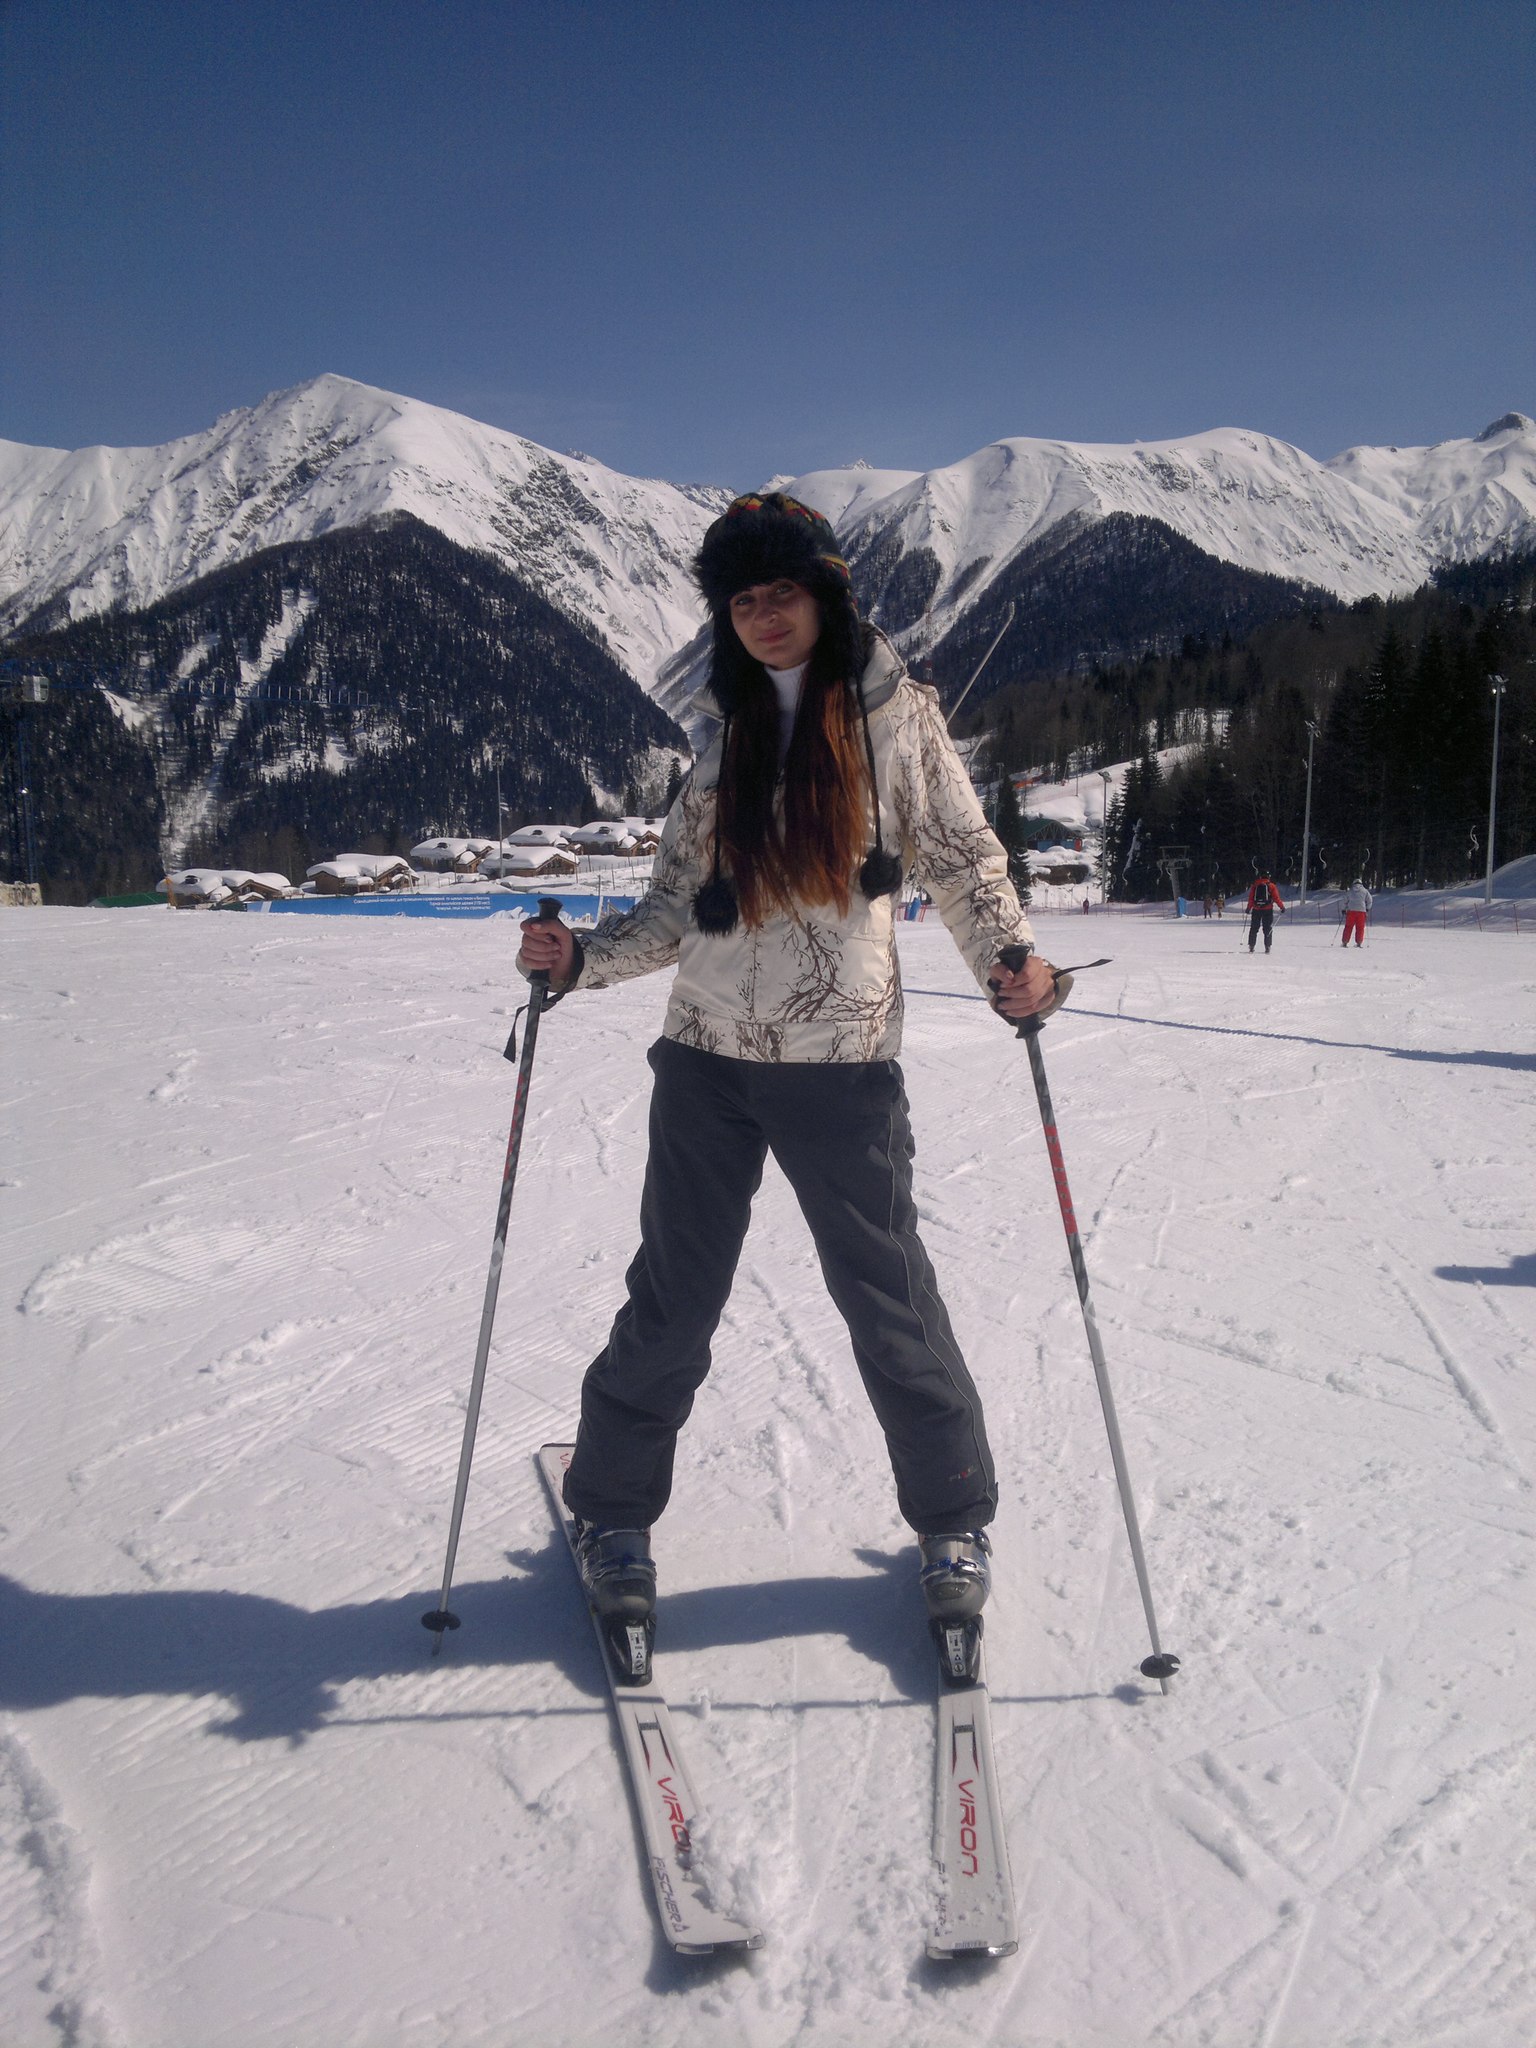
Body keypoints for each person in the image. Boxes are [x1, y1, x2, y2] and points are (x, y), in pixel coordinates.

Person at [517, 492, 1061, 1684]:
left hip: (841, 1062)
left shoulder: (895, 716)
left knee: (888, 1299)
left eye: (782, 592)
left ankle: (952, 1518)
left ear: (826, 596)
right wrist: (580, 962)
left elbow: (962, 856)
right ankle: (610, 1507)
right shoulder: (721, 733)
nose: (764, 615)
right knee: (673, 1299)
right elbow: (675, 905)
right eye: (743, 599)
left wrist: (1014, 960)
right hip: (705, 1059)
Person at [1245, 871, 1286, 952]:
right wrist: (1282, 907)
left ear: (1260, 876)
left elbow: (1251, 899)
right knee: (1267, 928)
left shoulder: (1255, 886)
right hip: (1268, 909)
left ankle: (1251, 946)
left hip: (1256, 909)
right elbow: (1276, 898)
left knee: (1254, 928)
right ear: (1268, 877)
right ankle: (1267, 946)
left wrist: (1248, 908)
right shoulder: (1271, 886)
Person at [1341, 878, 1373, 947]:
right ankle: (1359, 942)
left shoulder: (1350, 891)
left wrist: (1343, 909)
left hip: (1351, 911)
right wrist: (1367, 908)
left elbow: (1344, 900)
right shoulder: (1365, 891)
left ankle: (1345, 942)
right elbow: (1370, 900)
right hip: (1361, 911)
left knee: (1348, 926)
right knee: (1360, 927)